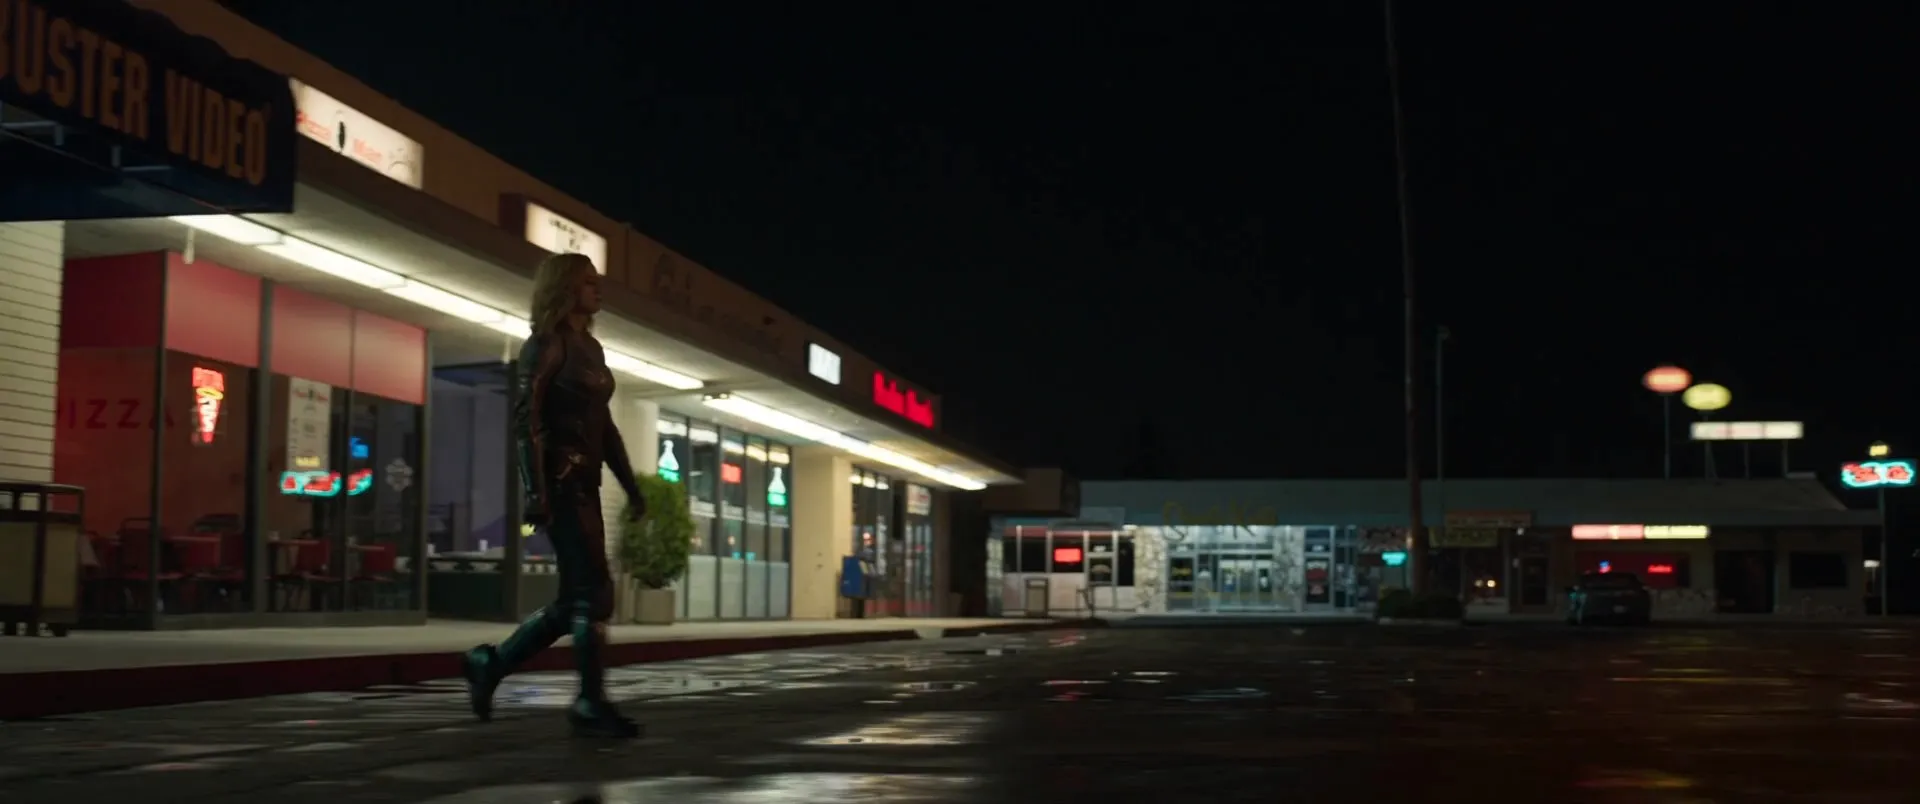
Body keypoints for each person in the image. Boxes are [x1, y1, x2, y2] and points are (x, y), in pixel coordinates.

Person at [461, 252, 646, 739]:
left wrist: (630, 486)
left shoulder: (592, 349)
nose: (598, 289)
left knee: (576, 600)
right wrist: (535, 491)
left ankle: (491, 664)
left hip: (587, 483)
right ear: (564, 288)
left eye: (597, 281)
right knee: (594, 593)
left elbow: (604, 427)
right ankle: (588, 700)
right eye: (587, 282)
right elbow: (527, 422)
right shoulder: (544, 344)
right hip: (561, 483)